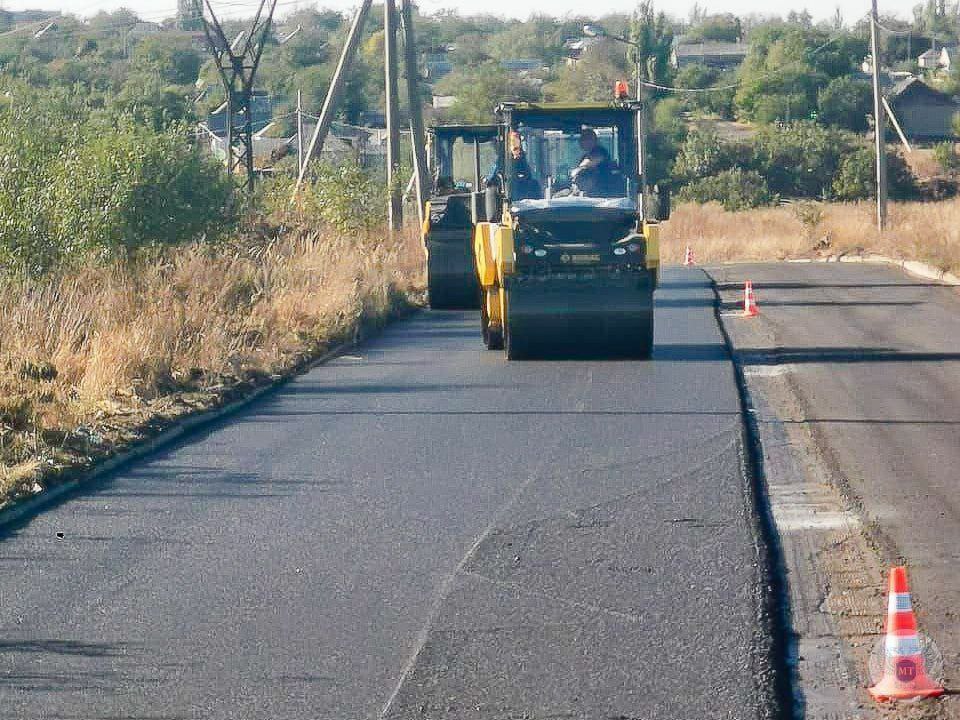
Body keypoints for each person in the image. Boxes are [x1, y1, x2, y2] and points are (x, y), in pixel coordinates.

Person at [487, 133, 541, 200]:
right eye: (515, 149)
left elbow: (528, 176)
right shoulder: (500, 164)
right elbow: (490, 183)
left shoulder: (523, 164)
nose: (517, 152)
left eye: (518, 148)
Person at [570, 128, 615, 196]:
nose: (581, 141)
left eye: (585, 139)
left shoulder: (600, 152)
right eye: (581, 139)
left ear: (594, 140)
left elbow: (586, 165)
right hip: (589, 192)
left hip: (602, 192)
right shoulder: (586, 155)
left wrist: (575, 172)